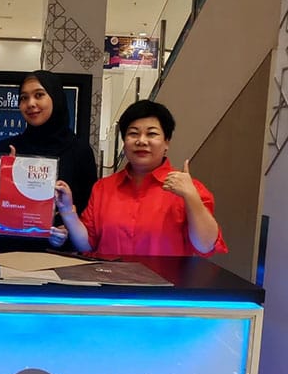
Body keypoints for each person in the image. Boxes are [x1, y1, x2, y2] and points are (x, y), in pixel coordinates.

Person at [55, 99, 228, 257]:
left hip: (164, 282)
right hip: (110, 280)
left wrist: (191, 196)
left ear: (167, 142)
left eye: (152, 134)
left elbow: (205, 245)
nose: (141, 141)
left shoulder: (189, 189)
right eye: (133, 133)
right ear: (124, 141)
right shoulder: (103, 188)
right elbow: (86, 244)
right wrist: (67, 211)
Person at [0, 70, 97, 251]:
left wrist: (68, 230)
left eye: (39, 95)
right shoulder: (9, 148)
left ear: (55, 98)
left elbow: (88, 213)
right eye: (24, 98)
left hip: (59, 256)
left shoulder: (79, 151)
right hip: (9, 253)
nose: (30, 103)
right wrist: (0, 182)